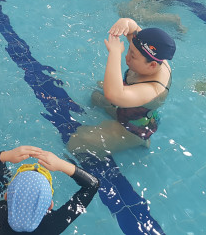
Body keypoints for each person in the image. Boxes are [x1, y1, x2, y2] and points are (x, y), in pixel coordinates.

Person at [68, 18, 176, 155]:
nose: (127, 57)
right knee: (95, 96)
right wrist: (126, 22)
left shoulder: (153, 89)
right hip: (128, 109)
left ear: (152, 65)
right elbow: (133, 28)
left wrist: (114, 53)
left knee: (76, 143)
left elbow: (113, 95)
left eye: (133, 56)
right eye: (129, 50)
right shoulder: (151, 55)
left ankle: (140, 141)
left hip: (132, 128)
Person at [0, 145, 99, 234]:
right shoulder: (53, 226)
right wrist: (60, 164)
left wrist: (5, 155)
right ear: (50, 205)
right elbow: (92, 184)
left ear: (6, 196)